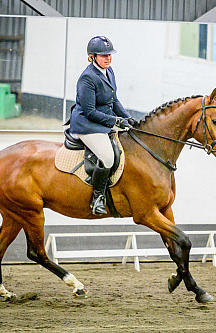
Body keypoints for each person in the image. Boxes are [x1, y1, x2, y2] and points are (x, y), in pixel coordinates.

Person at [69, 36, 137, 215]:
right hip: (87, 124)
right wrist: (116, 121)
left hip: (102, 122)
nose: (108, 58)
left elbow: (114, 100)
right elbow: (90, 112)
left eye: (110, 55)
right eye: (103, 55)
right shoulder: (87, 78)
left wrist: (128, 118)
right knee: (107, 157)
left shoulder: (109, 71)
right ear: (92, 57)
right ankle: (98, 197)